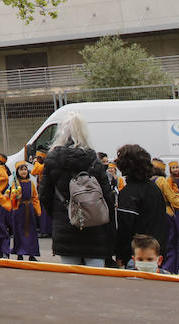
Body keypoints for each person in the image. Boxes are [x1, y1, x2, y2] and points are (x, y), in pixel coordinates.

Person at [38, 113, 116, 266]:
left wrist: (59, 215)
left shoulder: (53, 160)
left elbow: (44, 195)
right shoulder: (94, 160)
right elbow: (107, 198)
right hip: (94, 228)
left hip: (66, 226)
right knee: (95, 279)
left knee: (72, 281)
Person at [114, 144, 170, 271]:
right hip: (155, 254)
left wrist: (121, 254)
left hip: (136, 256)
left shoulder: (129, 193)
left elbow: (125, 229)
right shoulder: (154, 188)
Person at [9, 161, 41, 260]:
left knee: (31, 232)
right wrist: (16, 196)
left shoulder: (31, 183)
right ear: (17, 171)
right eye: (21, 169)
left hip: (29, 209)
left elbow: (35, 197)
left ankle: (31, 254)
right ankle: (20, 252)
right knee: (19, 231)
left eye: (25, 169)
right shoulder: (15, 183)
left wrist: (37, 210)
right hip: (19, 210)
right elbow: (11, 198)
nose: (23, 172)